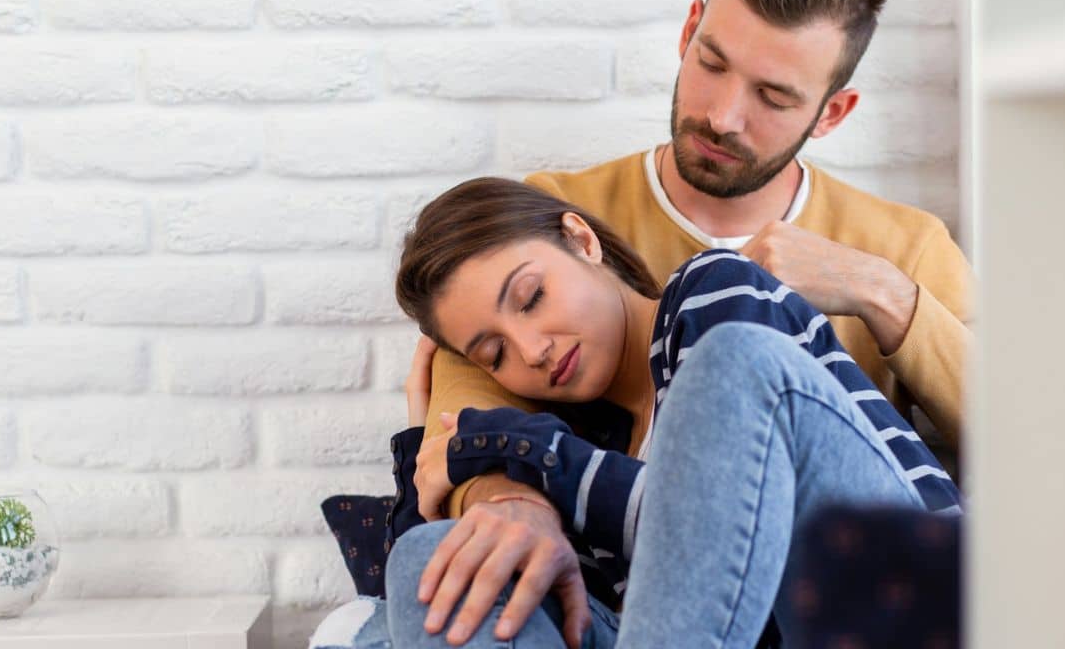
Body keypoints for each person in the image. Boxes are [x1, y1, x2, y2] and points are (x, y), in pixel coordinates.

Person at [328, 177, 956, 649]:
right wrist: (422, 442)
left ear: (582, 240)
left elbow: (722, 529)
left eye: (532, 297)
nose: (533, 349)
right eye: (494, 354)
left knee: (734, 362)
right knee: (436, 563)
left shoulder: (712, 293)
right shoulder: (585, 443)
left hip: (898, 599)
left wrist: (521, 446)